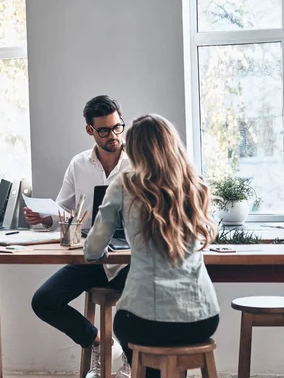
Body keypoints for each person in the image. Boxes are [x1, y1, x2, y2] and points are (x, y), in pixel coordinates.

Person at [84, 114, 220, 378]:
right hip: (202, 319)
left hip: (143, 320)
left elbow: (92, 250)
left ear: (134, 149)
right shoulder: (195, 185)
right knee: (159, 330)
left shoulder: (124, 185)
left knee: (131, 325)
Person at [27, 95, 131, 378]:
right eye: (105, 130)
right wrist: (46, 217)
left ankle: (134, 367)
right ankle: (102, 344)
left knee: (132, 313)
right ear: (90, 131)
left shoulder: (138, 161)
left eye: (118, 127)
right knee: (44, 300)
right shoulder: (79, 164)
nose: (114, 136)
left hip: (130, 260)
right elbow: (65, 210)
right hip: (91, 258)